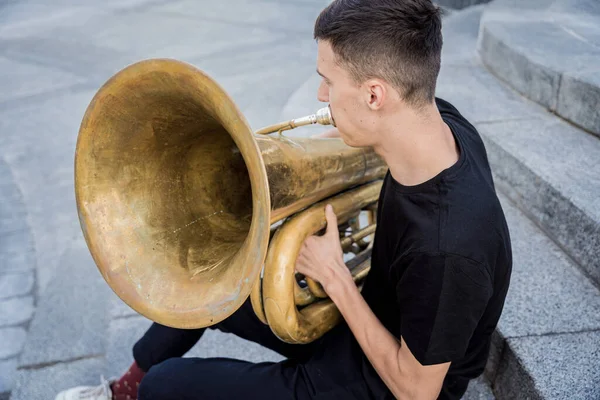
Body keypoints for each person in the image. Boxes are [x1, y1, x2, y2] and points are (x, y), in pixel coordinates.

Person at [56, 0, 512, 399]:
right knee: (211, 281)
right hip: (369, 318)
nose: (319, 95)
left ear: (375, 94)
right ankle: (123, 389)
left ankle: (143, 390)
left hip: (377, 383)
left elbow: (417, 391)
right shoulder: (441, 121)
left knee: (168, 385)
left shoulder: (449, 249)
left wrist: (334, 277)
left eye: (328, 82)